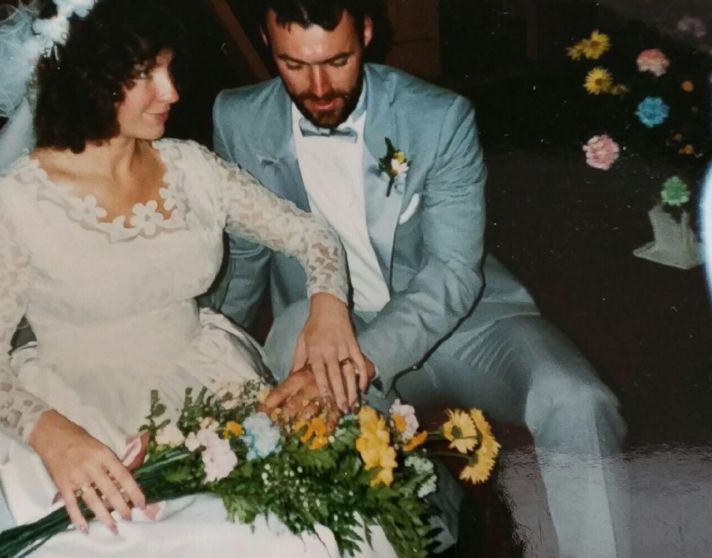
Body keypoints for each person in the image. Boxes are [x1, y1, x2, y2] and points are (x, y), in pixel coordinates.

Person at [0, 1, 385, 557]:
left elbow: (312, 236)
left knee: (314, 533)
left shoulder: (192, 168)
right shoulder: (16, 203)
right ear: (83, 78)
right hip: (72, 408)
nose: (171, 91)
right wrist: (54, 436)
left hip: (207, 386)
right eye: (145, 73)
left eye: (170, 68)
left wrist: (328, 305)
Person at [205, 1, 629, 556]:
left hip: (466, 323)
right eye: (294, 65)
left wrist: (367, 358)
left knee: (577, 401)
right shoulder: (238, 119)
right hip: (327, 328)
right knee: (296, 377)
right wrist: (210, 350)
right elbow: (245, 256)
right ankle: (421, 522)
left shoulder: (439, 116)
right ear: (267, 43)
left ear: (367, 35)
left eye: (338, 61)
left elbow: (452, 275)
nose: (318, 87)